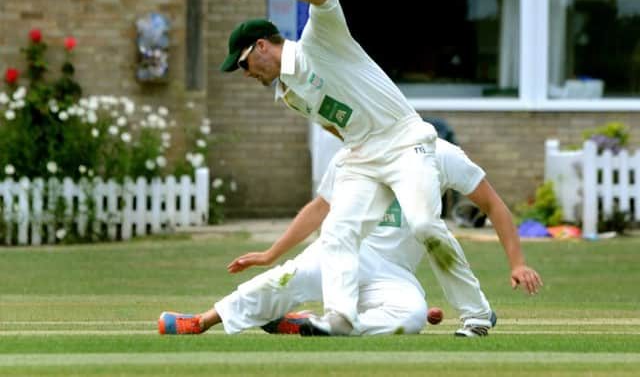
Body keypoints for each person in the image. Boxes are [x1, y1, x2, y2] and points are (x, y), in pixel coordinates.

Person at [219, 0, 460, 336]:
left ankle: (472, 312)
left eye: (243, 64)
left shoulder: (318, 42)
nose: (247, 74)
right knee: (337, 231)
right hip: (367, 154)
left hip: (403, 140)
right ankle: (337, 318)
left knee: (422, 225)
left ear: (262, 47)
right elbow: (338, 128)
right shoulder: (288, 95)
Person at [158, 139, 543, 337]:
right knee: (286, 278)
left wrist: (518, 263)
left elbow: (493, 205)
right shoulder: (353, 153)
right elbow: (318, 209)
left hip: (393, 273)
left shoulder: (437, 153)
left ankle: (327, 323)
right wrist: (270, 253)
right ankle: (201, 320)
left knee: (410, 318)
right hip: (338, 254)